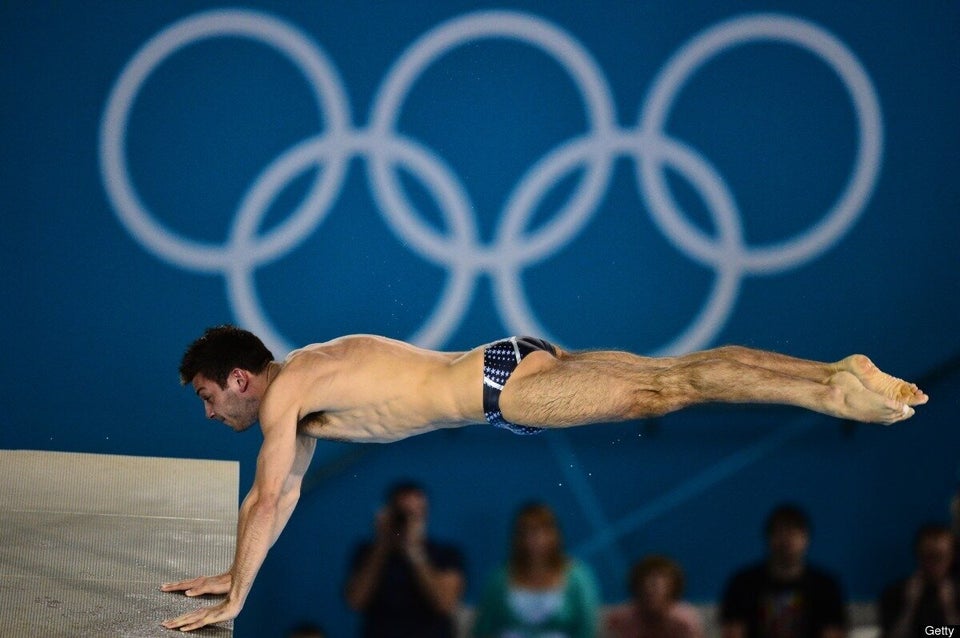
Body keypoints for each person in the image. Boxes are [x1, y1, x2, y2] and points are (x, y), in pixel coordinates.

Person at [160, 326, 927, 631]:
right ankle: (829, 375)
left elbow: (264, 494)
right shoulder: (305, 388)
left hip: (501, 389)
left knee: (673, 388)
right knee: (675, 376)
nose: (206, 415)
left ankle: (828, 386)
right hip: (506, 368)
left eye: (206, 399)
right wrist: (235, 571)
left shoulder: (287, 391)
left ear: (239, 378)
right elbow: (283, 496)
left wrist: (237, 602)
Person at [344, 481, 466, 638]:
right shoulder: (368, 552)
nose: (407, 521)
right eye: (402, 514)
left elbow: (444, 604)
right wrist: (382, 544)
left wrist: (415, 552)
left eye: (414, 514)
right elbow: (355, 601)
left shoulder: (446, 554)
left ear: (425, 515)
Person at [471, 502, 599, 638]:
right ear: (517, 537)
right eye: (527, 532)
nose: (535, 539)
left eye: (543, 530)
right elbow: (483, 630)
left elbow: (587, 630)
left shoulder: (578, 577)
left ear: (555, 534)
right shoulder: (499, 578)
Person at [719, 503, 848, 638]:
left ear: (806, 538)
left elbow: (833, 632)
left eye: (793, 533)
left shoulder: (825, 587)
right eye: (779, 532)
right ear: (769, 537)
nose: (786, 541)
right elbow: (733, 631)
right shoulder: (743, 584)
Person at [878, 523, 959, 638]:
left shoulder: (956, 592)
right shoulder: (896, 592)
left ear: (951, 556)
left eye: (940, 557)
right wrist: (910, 606)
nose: (933, 565)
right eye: (928, 556)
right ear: (918, 555)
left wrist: (949, 608)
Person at [606, 554, 704, 638]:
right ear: (637, 588)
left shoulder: (684, 622)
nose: (652, 588)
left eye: (659, 584)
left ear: (673, 588)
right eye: (647, 584)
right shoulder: (621, 621)